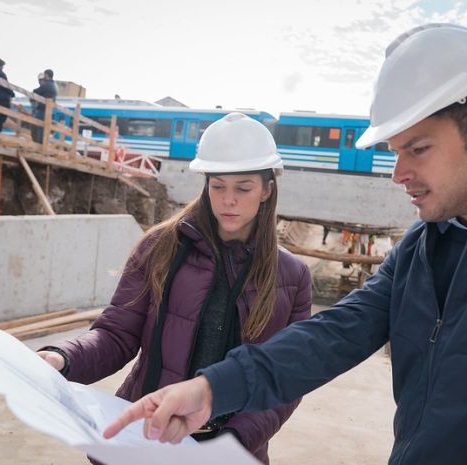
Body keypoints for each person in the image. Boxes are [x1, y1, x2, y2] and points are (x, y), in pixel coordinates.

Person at [103, 24, 467, 465]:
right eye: (393, 150)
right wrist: (213, 389)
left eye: (418, 148)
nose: (397, 172)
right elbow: (332, 334)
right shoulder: (422, 248)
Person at [38, 112, 312, 464]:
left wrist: (231, 444)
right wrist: (64, 357)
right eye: (218, 186)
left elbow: (284, 380)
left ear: (266, 190)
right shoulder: (159, 247)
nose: (229, 200)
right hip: (144, 437)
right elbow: (115, 334)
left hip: (232, 452)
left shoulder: (292, 276)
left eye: (243, 188)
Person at [31, 69, 57, 143]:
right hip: (48, 110)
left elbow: (35, 91)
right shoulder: (53, 85)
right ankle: (41, 144)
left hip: (42, 110)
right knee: (43, 128)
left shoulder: (48, 84)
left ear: (46, 75)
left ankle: (39, 145)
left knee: (39, 128)